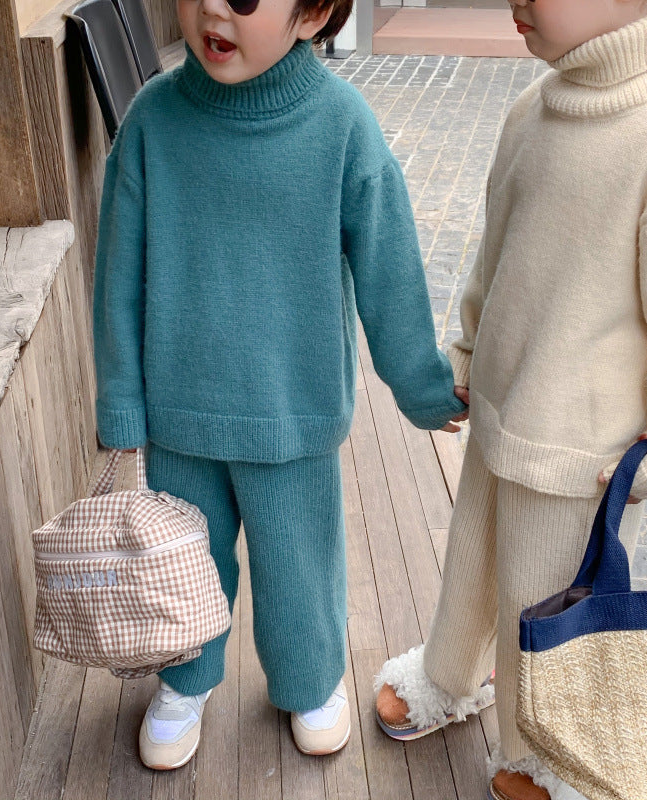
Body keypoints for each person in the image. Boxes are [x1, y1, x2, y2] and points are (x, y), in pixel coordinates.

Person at [373, 0, 647, 798]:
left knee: (540, 605)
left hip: (583, 449)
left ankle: (540, 749)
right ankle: (449, 673)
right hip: (504, 407)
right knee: (471, 562)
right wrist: (470, 344)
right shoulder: (533, 108)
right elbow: (496, 250)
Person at [92, 0, 468, 770]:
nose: (212, 9)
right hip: (178, 415)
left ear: (316, 10)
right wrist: (121, 401)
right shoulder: (153, 121)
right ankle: (185, 683)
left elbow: (389, 273)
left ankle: (309, 681)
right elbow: (117, 275)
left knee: (301, 572)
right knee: (185, 568)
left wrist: (422, 387)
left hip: (295, 413)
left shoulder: (340, 125)